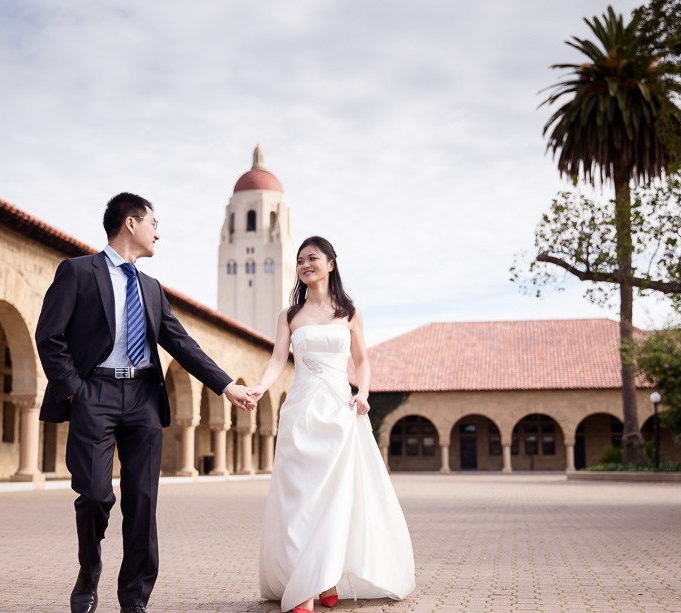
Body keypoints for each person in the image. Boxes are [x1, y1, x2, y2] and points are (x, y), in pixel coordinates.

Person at [35, 192, 256, 613]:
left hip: (143, 399)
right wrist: (75, 390)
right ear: (131, 223)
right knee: (95, 495)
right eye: (154, 224)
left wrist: (227, 386)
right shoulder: (78, 272)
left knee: (142, 502)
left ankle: (134, 599)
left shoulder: (151, 288)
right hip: (94, 394)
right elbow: (49, 336)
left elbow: (181, 343)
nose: (158, 234)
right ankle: (89, 570)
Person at [251, 236, 416, 613]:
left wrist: (364, 392)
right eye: (299, 260)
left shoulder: (350, 312)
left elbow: (362, 361)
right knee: (300, 499)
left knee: (334, 498)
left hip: (340, 411)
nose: (305, 265)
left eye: (312, 258)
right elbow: (278, 359)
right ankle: (308, 584)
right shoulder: (289, 315)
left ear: (330, 263)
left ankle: (324, 579)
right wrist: (260, 387)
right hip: (301, 410)